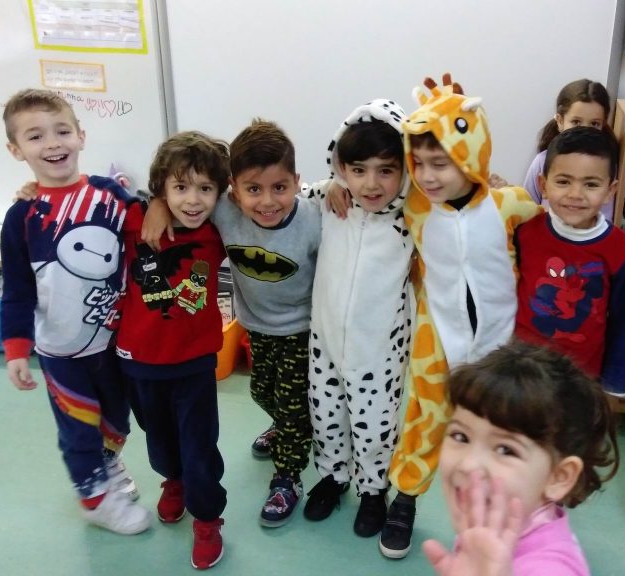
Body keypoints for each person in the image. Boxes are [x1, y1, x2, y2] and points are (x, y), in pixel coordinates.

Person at [380, 74, 543, 559]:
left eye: (442, 162)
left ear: (469, 154)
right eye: (420, 163)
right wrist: (334, 190)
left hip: (500, 341)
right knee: (424, 420)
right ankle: (405, 498)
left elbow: (561, 227)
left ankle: (495, 514)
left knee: (500, 431)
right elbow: (365, 182)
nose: (428, 176)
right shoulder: (415, 206)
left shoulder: (510, 204)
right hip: (437, 337)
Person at [144, 119, 320, 528]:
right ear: (233, 189)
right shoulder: (222, 209)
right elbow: (182, 192)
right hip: (255, 325)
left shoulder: (314, 219)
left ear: (297, 182)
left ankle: (288, 476)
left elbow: (339, 196)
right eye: (253, 190)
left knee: (293, 407)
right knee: (261, 391)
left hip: (303, 329)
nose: (267, 201)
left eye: (280, 187)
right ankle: (287, 426)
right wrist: (157, 202)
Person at [0, 88, 150, 535]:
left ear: (81, 136)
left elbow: (149, 223)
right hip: (61, 350)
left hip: (116, 342)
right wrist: (15, 350)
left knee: (116, 420)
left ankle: (106, 464)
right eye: (35, 136)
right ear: (16, 150)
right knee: (78, 427)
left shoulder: (112, 196)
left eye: (62, 131)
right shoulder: (21, 216)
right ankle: (95, 499)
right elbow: (17, 290)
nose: (52, 143)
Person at [115, 131, 230, 569]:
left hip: (194, 365)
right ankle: (173, 480)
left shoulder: (218, 231)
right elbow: (95, 194)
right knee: (159, 442)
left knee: (199, 447)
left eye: (205, 189)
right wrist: (154, 203)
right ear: (161, 188)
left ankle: (208, 518)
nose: (193, 200)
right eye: (180, 187)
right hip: (138, 363)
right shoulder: (135, 221)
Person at [302, 100, 414, 538]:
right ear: (341, 167)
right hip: (325, 341)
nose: (371, 183)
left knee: (376, 426)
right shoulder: (329, 200)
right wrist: (332, 183)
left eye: (386, 170)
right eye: (358, 170)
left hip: (379, 350)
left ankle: (373, 490)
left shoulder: (413, 216)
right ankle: (333, 477)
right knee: (325, 414)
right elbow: (280, 198)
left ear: (404, 170)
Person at [422, 341, 619, 576]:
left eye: (506, 450)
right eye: (460, 436)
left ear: (559, 477)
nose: (468, 464)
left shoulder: (552, 570)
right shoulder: (487, 527)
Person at [513, 126, 625, 396]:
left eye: (591, 184)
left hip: (581, 382)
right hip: (520, 374)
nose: (575, 194)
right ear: (543, 185)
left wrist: (613, 386)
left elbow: (623, 321)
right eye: (563, 182)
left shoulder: (621, 248)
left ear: (610, 190)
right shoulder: (523, 232)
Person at [521, 79, 611, 211]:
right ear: (560, 121)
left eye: (594, 124)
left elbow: (606, 216)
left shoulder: (606, 166)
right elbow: (525, 209)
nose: (584, 131)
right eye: (576, 122)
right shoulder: (541, 162)